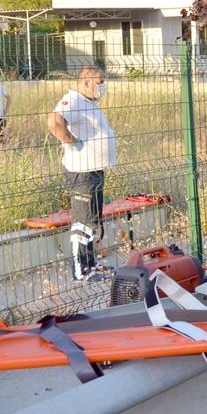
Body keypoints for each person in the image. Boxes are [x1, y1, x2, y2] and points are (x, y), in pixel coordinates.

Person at [47, 66, 116, 283]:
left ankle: (92, 265)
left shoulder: (89, 103)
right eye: (99, 81)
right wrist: (71, 141)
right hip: (81, 172)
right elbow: (54, 123)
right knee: (82, 221)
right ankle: (81, 271)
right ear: (86, 82)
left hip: (94, 169)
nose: (102, 86)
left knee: (92, 219)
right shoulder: (73, 100)